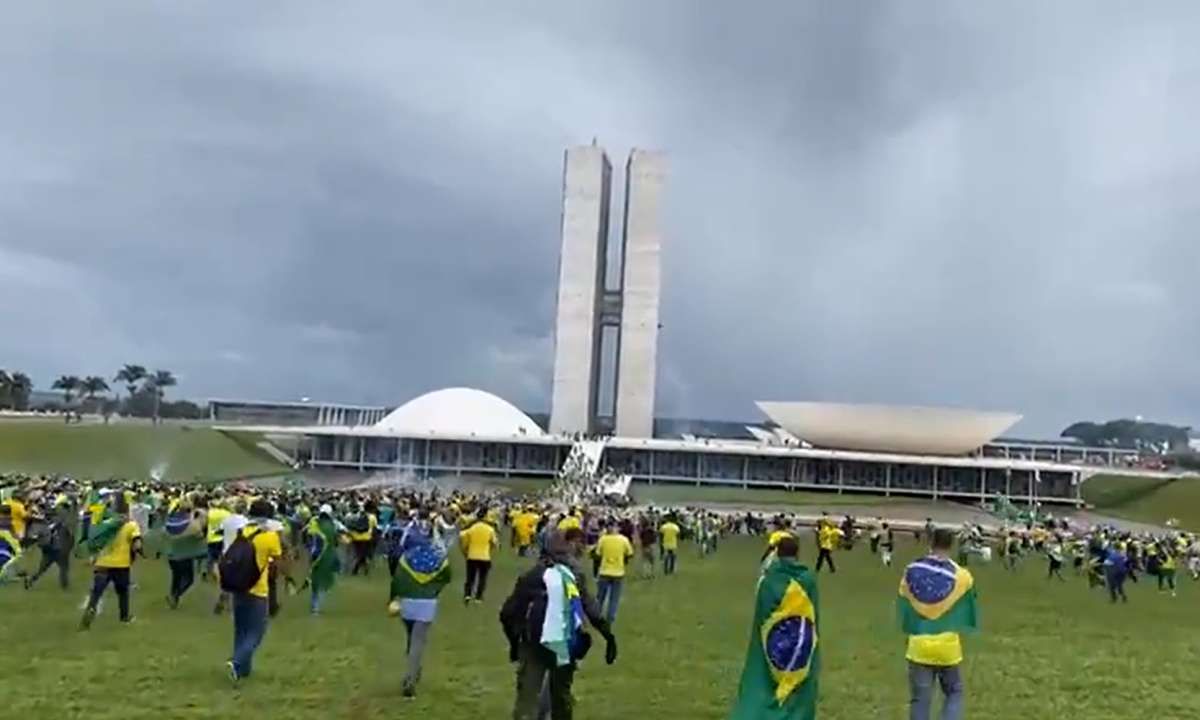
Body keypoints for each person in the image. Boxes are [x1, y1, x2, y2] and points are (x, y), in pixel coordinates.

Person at [500, 528, 617, 720]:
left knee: (527, 697)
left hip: (534, 643)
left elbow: (507, 613)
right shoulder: (574, 575)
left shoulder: (532, 576)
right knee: (561, 695)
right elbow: (590, 608)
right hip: (565, 643)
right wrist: (608, 635)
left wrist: (515, 643)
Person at [728, 536, 820, 720]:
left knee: (766, 677)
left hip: (772, 640)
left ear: (777, 553)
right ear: (798, 553)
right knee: (796, 680)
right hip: (799, 639)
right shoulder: (808, 579)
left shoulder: (768, 580)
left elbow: (763, 609)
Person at [898, 528, 978, 720]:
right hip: (948, 646)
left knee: (920, 699)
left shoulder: (911, 571)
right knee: (954, 692)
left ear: (930, 542)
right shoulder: (963, 576)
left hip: (919, 644)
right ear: (951, 545)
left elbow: (905, 602)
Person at [226, 499, 283, 683]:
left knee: (241, 630)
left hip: (238, 586)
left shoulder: (241, 532)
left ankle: (243, 669)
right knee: (257, 631)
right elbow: (277, 562)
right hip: (258, 588)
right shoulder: (270, 536)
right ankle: (237, 663)